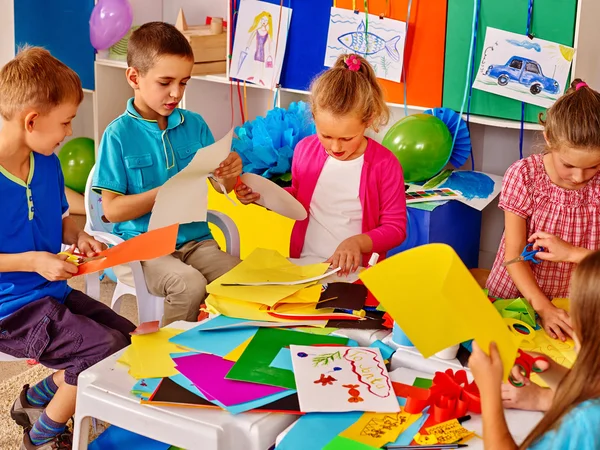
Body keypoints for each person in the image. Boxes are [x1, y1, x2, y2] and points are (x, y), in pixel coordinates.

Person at [0, 47, 136, 450]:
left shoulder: (46, 163)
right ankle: (41, 437)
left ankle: (36, 398)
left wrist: (77, 235)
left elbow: (59, 216)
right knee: (101, 351)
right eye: (66, 122)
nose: (68, 133)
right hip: (12, 310)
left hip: (51, 292)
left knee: (127, 340)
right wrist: (33, 261)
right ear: (32, 120)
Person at [93, 22, 242, 325]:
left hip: (196, 241)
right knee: (188, 285)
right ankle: (169, 360)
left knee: (242, 277)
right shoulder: (117, 135)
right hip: (144, 248)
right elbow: (112, 210)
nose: (176, 93)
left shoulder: (195, 124)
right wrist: (164, 193)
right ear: (134, 77)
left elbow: (220, 185)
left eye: (184, 82)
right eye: (165, 82)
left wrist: (229, 172)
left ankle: (221, 349)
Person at [236, 54, 406, 275]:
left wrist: (357, 242)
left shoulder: (384, 164)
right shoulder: (305, 149)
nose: (335, 147)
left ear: (369, 120)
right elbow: (300, 197)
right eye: (326, 135)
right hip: (305, 264)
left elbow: (396, 228)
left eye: (347, 138)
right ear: (314, 117)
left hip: (357, 272)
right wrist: (262, 197)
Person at [486, 79, 600, 341]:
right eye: (569, 165)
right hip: (519, 296)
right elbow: (513, 256)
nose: (580, 177)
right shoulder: (525, 175)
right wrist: (543, 307)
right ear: (549, 138)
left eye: (594, 166)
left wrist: (572, 253)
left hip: (576, 299)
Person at [470, 250, 600, 449]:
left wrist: (490, 396)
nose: (571, 321)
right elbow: (590, 392)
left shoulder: (584, 423)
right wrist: (548, 368)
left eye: (576, 311)